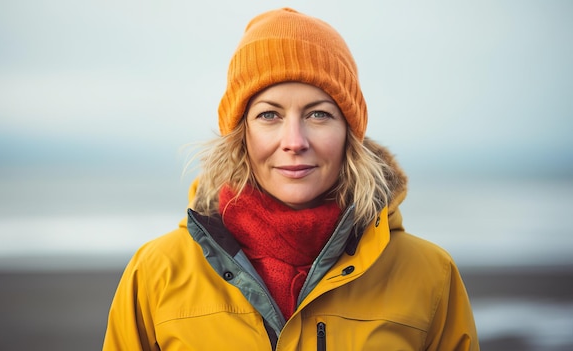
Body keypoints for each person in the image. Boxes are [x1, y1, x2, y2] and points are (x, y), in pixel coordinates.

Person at [103, 7, 479, 350]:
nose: (295, 142)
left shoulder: (430, 274)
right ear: (240, 133)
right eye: (269, 115)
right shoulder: (157, 271)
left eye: (319, 115)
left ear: (350, 132)